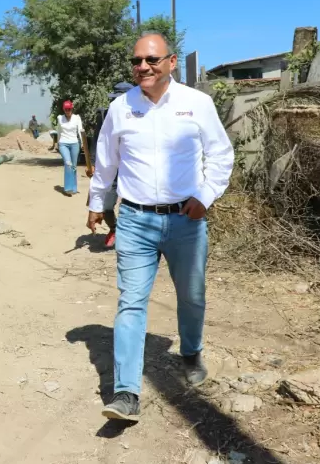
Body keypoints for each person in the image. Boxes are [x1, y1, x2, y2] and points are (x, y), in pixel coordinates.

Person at [87, 32, 234, 422]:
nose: (143, 68)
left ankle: (190, 351)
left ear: (171, 62)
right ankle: (126, 392)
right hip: (135, 219)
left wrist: (205, 197)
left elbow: (221, 156)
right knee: (131, 302)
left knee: (191, 295)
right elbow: (106, 162)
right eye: (137, 61)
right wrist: (97, 203)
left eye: (151, 60)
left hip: (186, 220)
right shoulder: (121, 107)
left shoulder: (197, 104)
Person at [86, 81, 134, 248]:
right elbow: (98, 142)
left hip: (132, 172)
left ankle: (132, 236)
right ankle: (114, 229)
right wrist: (92, 163)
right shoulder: (105, 115)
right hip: (111, 170)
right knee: (106, 206)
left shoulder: (142, 116)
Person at [57, 100, 84, 196]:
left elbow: (80, 130)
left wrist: (83, 143)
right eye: (66, 109)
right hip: (63, 143)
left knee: (74, 166)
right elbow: (59, 131)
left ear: (72, 109)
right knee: (68, 163)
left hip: (74, 144)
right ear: (63, 109)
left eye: (69, 109)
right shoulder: (60, 118)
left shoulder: (77, 118)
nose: (67, 111)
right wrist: (57, 143)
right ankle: (67, 188)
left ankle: (73, 188)